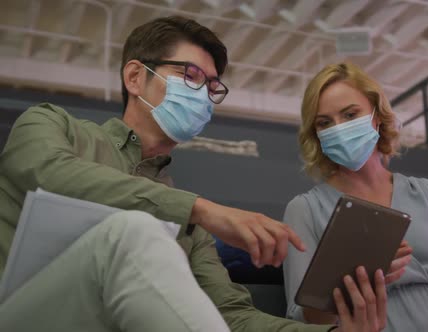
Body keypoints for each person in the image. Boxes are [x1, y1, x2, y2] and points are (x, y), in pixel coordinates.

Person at [0, 17, 403, 332]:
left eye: (212, 86)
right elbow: (48, 174)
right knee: (136, 228)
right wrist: (201, 209)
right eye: (191, 76)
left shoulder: (190, 226)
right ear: (135, 77)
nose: (204, 95)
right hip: (23, 315)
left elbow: (232, 318)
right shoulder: (51, 125)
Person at [282, 62, 428, 332]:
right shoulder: (305, 209)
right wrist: (352, 280)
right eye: (325, 122)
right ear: (316, 135)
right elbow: (303, 321)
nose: (339, 129)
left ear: (377, 117)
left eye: (350, 115)